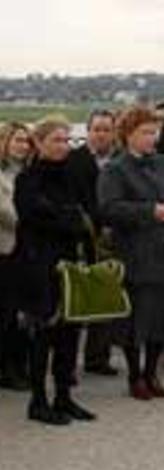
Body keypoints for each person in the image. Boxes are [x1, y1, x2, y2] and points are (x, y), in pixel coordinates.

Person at [98, 106, 164, 400]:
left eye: (154, 132)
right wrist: (150, 211)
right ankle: (135, 375)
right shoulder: (115, 168)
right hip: (135, 253)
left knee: (162, 318)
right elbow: (109, 209)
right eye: (146, 133)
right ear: (128, 135)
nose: (152, 138)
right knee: (135, 320)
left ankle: (152, 373)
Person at [14, 116, 96, 425]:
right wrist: (69, 219)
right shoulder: (28, 179)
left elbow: (85, 216)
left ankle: (64, 396)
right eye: (56, 140)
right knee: (43, 335)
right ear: (40, 142)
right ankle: (38, 401)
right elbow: (37, 216)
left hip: (71, 265)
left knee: (69, 335)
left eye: (66, 140)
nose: (63, 146)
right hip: (39, 267)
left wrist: (70, 220)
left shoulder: (71, 176)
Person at [68, 109, 123, 377]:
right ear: (87, 131)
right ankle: (66, 364)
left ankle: (97, 358)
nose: (101, 134)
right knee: (75, 302)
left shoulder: (121, 161)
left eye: (106, 129)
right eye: (96, 129)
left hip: (113, 240)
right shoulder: (72, 159)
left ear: (114, 132)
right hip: (81, 238)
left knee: (106, 298)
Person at [0, 122, 32, 391]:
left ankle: (20, 366)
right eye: (17, 140)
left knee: (24, 313)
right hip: (6, 250)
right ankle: (7, 369)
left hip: (28, 252)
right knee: (7, 313)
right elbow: (7, 214)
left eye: (25, 141)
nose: (22, 145)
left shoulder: (31, 173)